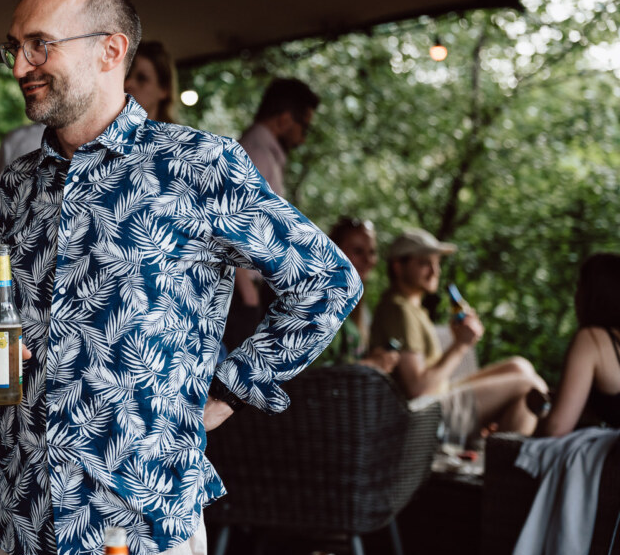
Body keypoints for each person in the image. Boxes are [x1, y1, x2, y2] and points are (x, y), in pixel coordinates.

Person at [0, 0, 361, 555]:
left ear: (110, 50)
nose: (21, 64)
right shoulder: (13, 187)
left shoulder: (198, 166)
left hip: (140, 535)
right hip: (15, 530)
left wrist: (232, 389)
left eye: (40, 44)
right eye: (14, 47)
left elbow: (327, 281)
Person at [369, 227, 547, 437]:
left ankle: (498, 452)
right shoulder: (399, 309)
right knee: (529, 388)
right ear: (399, 267)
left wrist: (459, 341)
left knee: (519, 366)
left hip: (438, 398)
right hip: (423, 415)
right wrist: (461, 345)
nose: (435, 271)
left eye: (437, 263)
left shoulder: (411, 307)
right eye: (425, 263)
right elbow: (418, 389)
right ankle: (506, 463)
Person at [223, 77, 321, 351]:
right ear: (285, 119)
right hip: (241, 291)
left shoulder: (264, 153)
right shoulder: (256, 153)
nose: (304, 137)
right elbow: (229, 223)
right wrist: (248, 293)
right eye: (305, 126)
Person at [537, 253, 620, 437]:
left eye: (579, 287)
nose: (575, 296)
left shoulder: (592, 339)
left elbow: (556, 429)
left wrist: (542, 412)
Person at [322, 217, 399, 373]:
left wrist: (372, 358)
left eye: (372, 252)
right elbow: (313, 375)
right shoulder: (320, 302)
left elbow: (346, 360)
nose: (368, 260)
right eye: (358, 251)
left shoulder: (355, 305)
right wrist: (370, 364)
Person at [123, 40, 178, 123]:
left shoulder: (178, 135)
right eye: (126, 76)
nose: (128, 84)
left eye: (142, 78)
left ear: (164, 89)